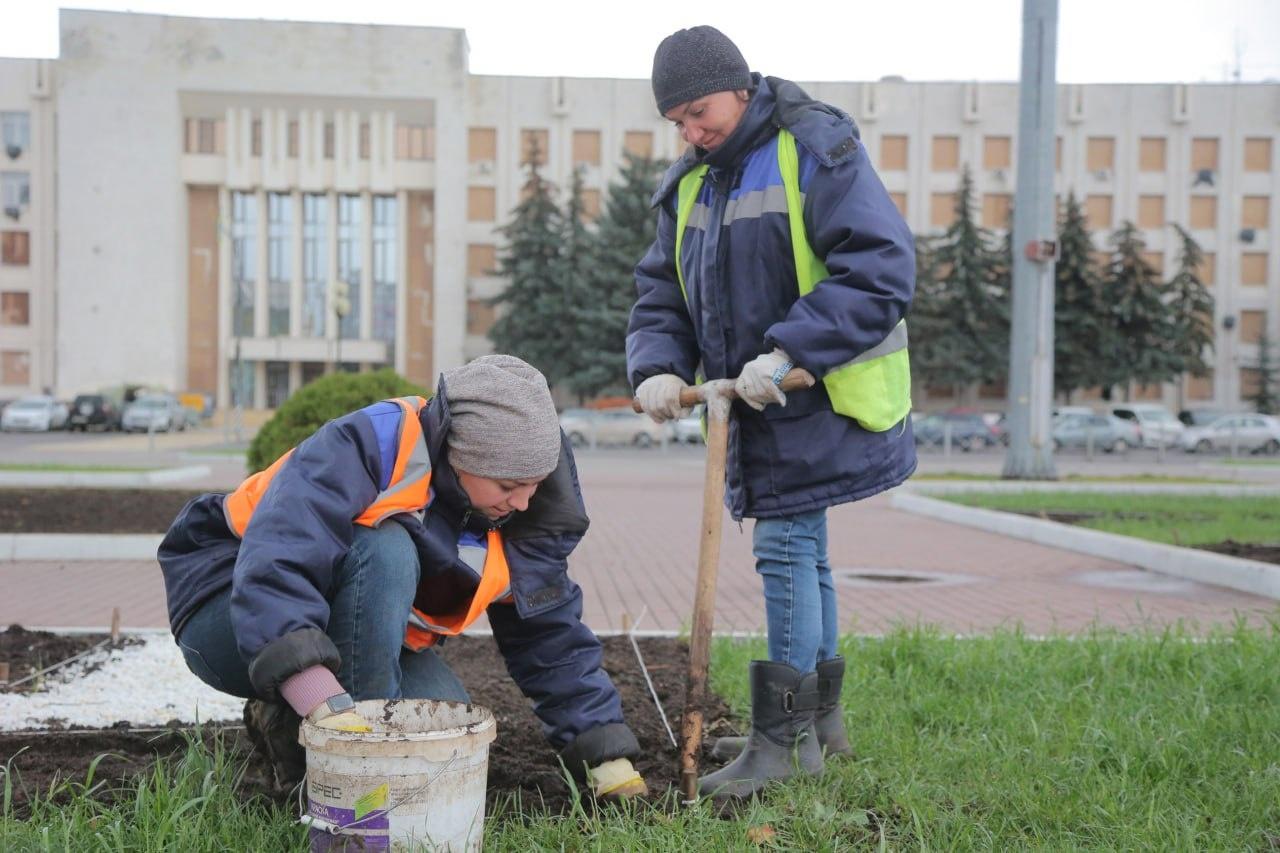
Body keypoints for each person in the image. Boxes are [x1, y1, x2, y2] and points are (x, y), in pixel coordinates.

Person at [627, 26, 917, 799]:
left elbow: (880, 266)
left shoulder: (812, 148)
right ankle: (816, 723)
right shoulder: (690, 182)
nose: (689, 132)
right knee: (806, 551)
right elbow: (661, 290)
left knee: (786, 550)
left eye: (699, 112)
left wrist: (790, 351)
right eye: (676, 121)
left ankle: (782, 741)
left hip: (815, 392)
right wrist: (656, 366)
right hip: (755, 399)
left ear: (740, 86)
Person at [158, 355, 647, 801]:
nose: (522, 503)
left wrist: (604, 754)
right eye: (509, 486)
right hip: (228, 607)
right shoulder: (372, 444)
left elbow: (550, 637)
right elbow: (280, 556)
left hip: (325, 625)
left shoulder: (521, 518)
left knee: (443, 723)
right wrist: (311, 687)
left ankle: (291, 723)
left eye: (534, 487)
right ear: (463, 457)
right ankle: (347, 786)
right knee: (384, 546)